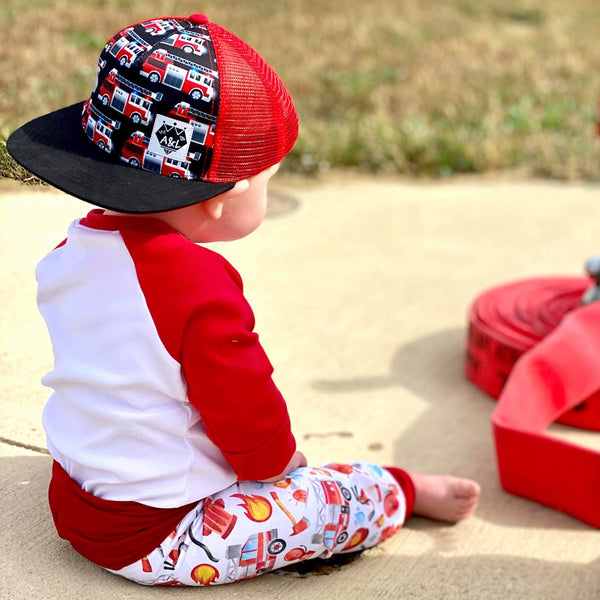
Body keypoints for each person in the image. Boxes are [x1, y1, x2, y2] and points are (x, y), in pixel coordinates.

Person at [7, 13, 480, 586]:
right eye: (266, 180)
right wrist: (282, 467)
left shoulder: (68, 251)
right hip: (164, 535)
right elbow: (242, 404)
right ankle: (400, 493)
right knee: (327, 499)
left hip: (78, 500)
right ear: (220, 198)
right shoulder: (194, 281)